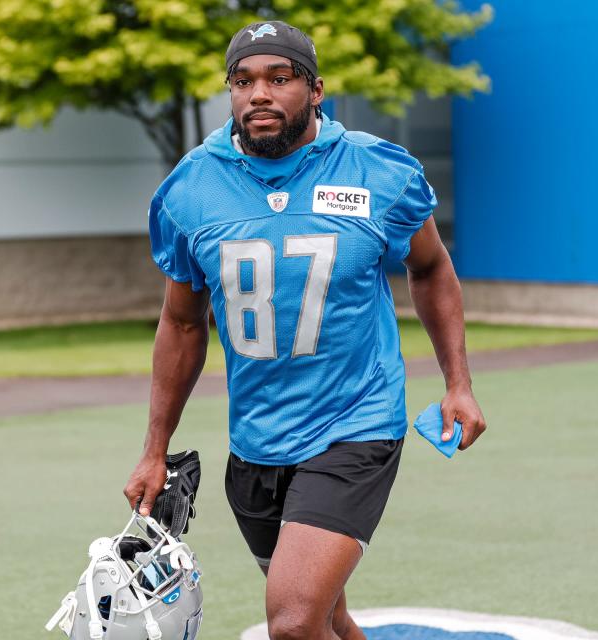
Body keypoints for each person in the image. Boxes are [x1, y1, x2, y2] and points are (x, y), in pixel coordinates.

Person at [124, 20, 487, 640]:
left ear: (315, 90)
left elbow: (429, 267)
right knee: (326, 615)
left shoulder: (378, 171)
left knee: (291, 621)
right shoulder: (189, 189)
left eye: (279, 78)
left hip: (356, 424)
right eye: (243, 81)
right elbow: (183, 323)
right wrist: (155, 449)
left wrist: (458, 381)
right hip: (258, 441)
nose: (258, 94)